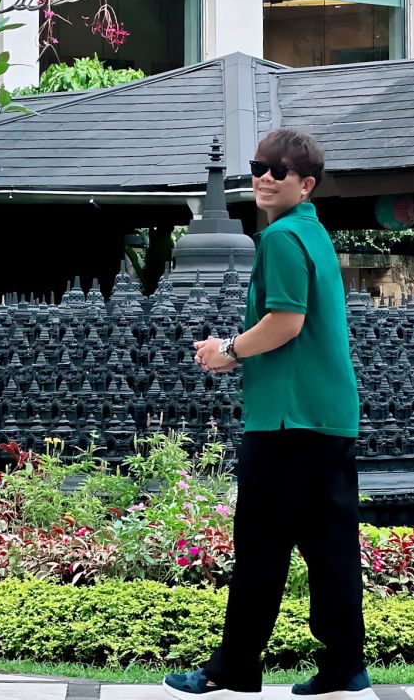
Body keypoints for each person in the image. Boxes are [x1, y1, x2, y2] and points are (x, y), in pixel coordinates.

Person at [163, 128, 367, 700]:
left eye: (280, 171)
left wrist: (225, 351)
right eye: (259, 166)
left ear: (306, 184)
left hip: (286, 418)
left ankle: (233, 669)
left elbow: (286, 322)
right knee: (330, 545)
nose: (265, 177)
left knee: (259, 545)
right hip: (328, 415)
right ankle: (345, 665)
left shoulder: (279, 240)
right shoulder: (314, 234)